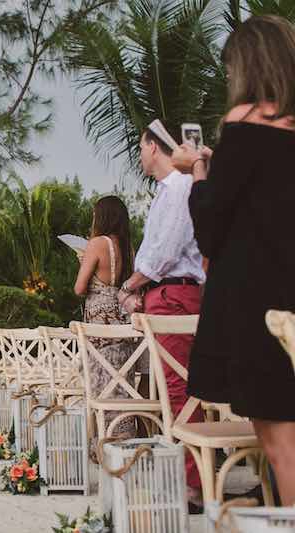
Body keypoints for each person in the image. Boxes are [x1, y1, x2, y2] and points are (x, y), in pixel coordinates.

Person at [173, 15, 295, 506]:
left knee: (281, 441)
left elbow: (211, 226)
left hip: (261, 302)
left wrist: (200, 169)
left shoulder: (245, 124)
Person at [118, 123, 206, 509]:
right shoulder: (167, 191)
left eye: (141, 147)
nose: (140, 155)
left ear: (155, 147)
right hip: (164, 292)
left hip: (173, 294)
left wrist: (130, 286)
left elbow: (165, 252)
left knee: (178, 389)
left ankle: (193, 484)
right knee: (171, 389)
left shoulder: (179, 188)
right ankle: (187, 476)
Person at [74, 195, 137, 439]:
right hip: (121, 318)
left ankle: (103, 441)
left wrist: (83, 264)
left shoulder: (96, 244)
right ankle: (125, 437)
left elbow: (79, 288)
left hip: (100, 323)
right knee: (121, 379)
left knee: (101, 380)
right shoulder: (128, 247)